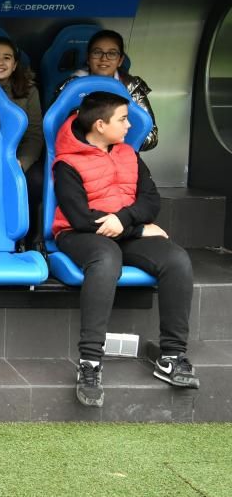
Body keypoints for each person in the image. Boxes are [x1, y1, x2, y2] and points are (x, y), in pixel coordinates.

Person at [51, 91, 198, 407]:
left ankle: (171, 356)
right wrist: (136, 227)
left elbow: (151, 201)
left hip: (124, 230)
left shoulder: (130, 155)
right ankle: (90, 363)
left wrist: (125, 221)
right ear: (101, 125)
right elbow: (77, 216)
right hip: (81, 234)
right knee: (106, 259)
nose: (130, 126)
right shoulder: (66, 162)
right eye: (123, 119)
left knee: (176, 259)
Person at [0, 36, 44, 246]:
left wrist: (21, 161)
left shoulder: (29, 92)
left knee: (36, 181)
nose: (0, 62)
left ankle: (27, 239)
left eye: (7, 58)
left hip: (18, 158)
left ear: (14, 65)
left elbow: (34, 134)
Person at [55, 29, 158, 151]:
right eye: (97, 52)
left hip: (122, 154)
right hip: (78, 153)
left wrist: (116, 142)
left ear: (120, 60)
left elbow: (151, 135)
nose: (104, 58)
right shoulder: (71, 87)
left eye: (112, 53)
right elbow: (54, 127)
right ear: (88, 58)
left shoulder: (132, 87)